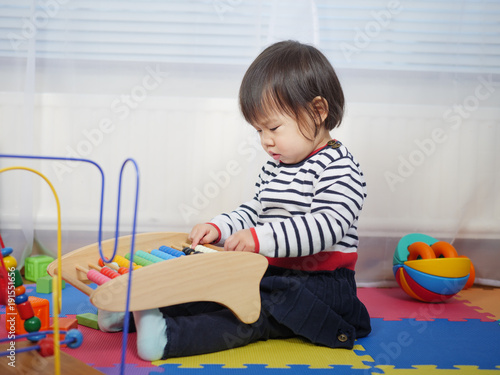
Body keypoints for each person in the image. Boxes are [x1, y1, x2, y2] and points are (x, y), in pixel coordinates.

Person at [99, 40, 371, 361]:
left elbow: (325, 227)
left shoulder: (339, 167)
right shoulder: (276, 166)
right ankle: (132, 312)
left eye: (273, 127)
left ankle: (168, 338)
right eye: (258, 130)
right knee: (216, 289)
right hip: (270, 272)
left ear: (318, 111)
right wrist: (221, 227)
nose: (265, 140)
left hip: (320, 285)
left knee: (251, 315)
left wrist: (259, 238)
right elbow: (255, 211)